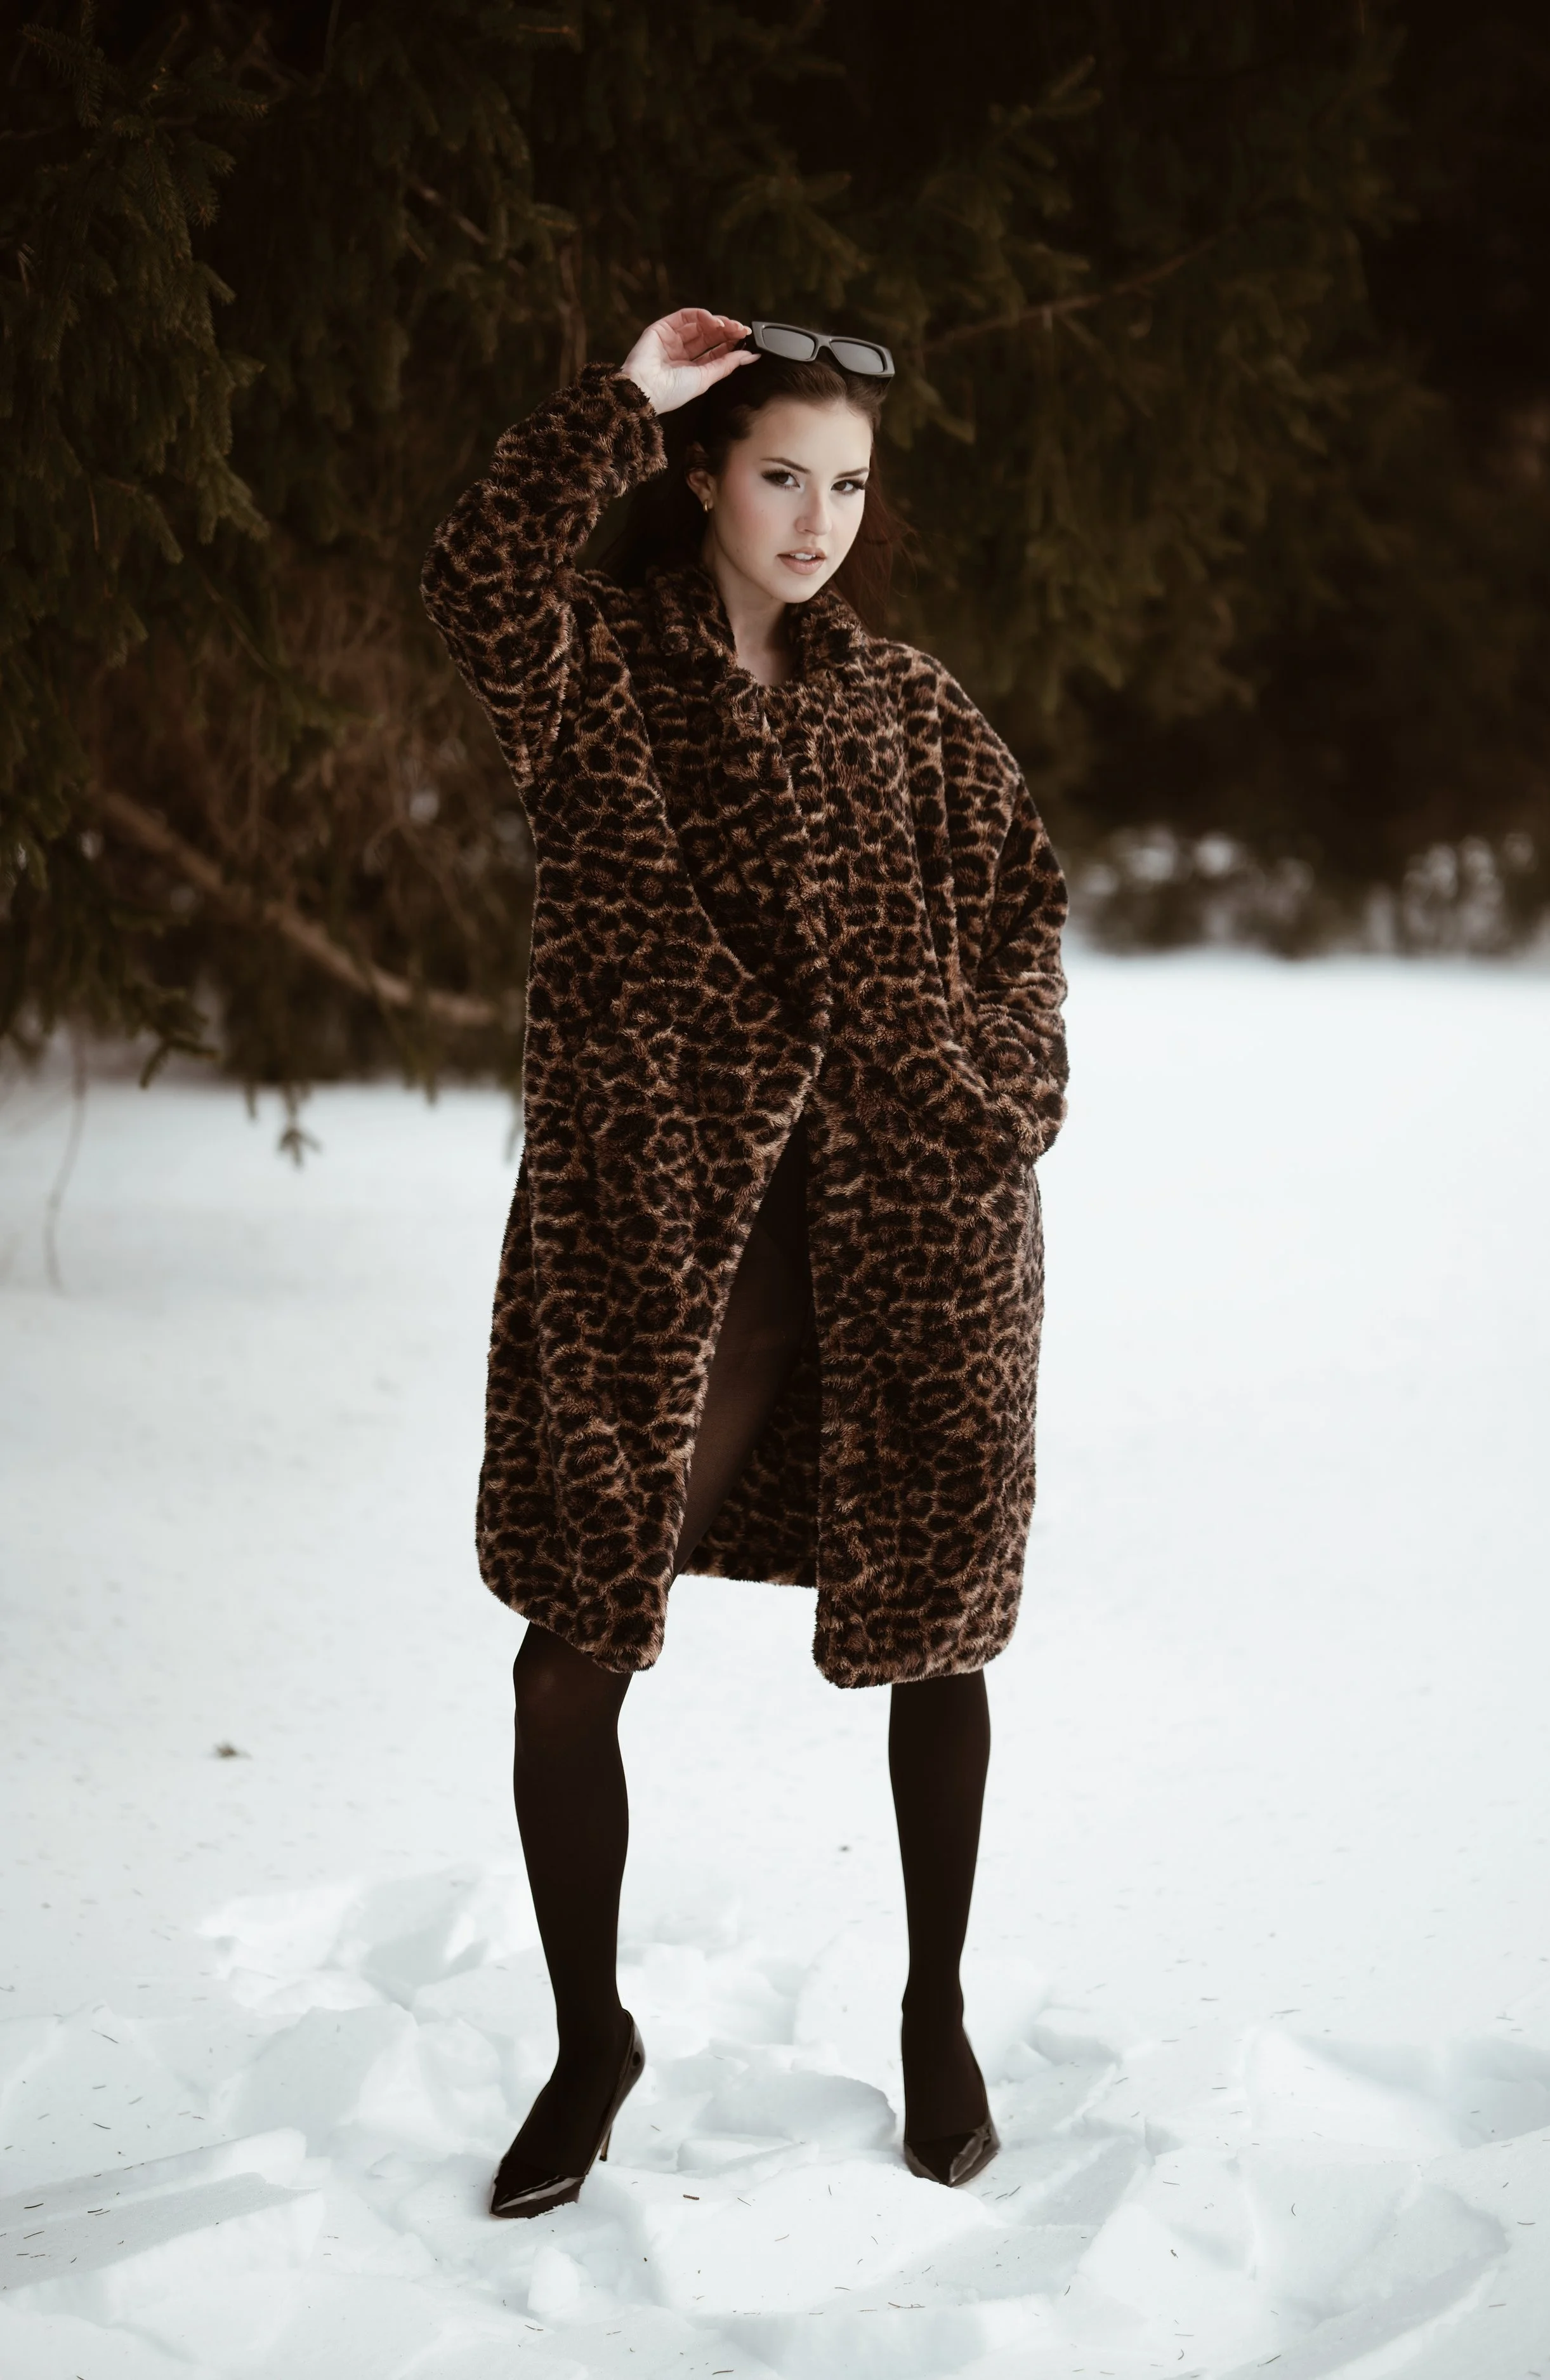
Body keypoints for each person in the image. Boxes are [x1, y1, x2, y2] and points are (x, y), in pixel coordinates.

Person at [421, 307, 1069, 2218]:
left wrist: (993, 1098)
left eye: (848, 485)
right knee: (569, 1642)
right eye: (779, 473)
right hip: (654, 1235)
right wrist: (621, 395)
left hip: (917, 1236)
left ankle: (933, 2013)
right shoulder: (594, 677)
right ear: (700, 476)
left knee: (937, 1629)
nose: (817, 520)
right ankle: (589, 2036)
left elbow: (1023, 911)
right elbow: (475, 569)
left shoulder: (913, 708)